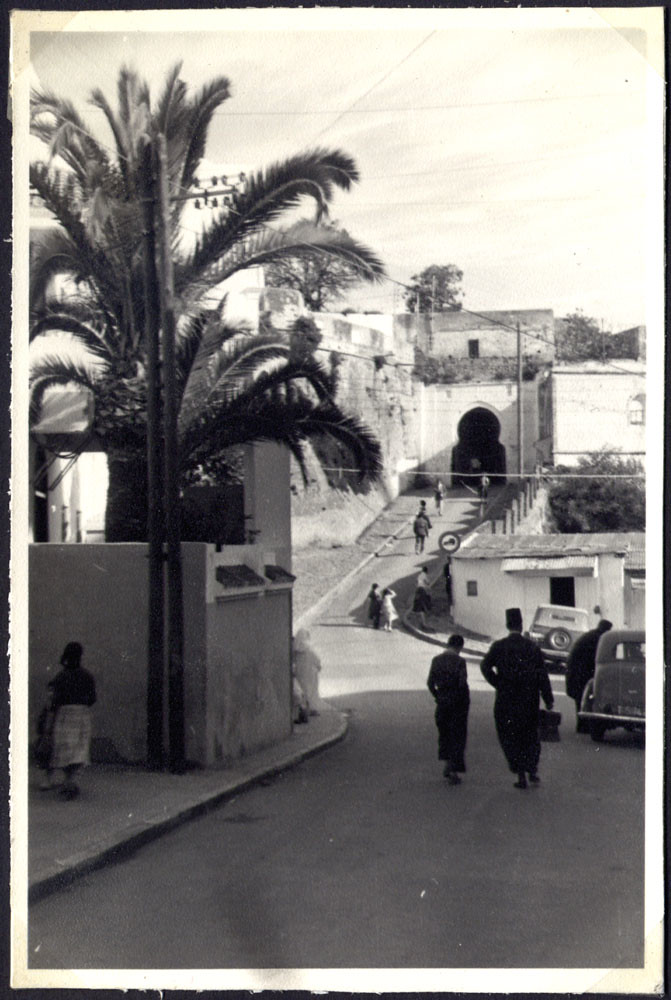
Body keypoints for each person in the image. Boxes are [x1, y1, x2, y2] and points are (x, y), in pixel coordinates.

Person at [480, 608, 554, 789]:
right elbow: (542, 675)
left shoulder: (499, 646)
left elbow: (485, 666)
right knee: (530, 735)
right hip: (529, 699)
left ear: (508, 625)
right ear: (521, 626)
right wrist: (548, 698)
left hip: (506, 699)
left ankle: (520, 774)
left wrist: (498, 683)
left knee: (510, 736)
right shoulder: (532, 647)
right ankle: (532, 770)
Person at [42, 641, 96, 799]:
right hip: (82, 714)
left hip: (64, 715)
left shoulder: (61, 676)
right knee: (79, 749)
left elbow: (53, 701)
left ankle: (68, 780)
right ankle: (71, 781)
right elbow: (92, 699)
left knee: (65, 748)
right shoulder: (87, 676)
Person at [427, 634, 470, 785]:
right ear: (460, 647)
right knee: (457, 735)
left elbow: (430, 683)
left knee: (444, 734)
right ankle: (453, 770)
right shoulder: (460, 661)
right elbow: (462, 683)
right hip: (457, 703)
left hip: (443, 701)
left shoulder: (436, 660)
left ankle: (447, 763)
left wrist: (438, 696)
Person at [565, 619, 613, 733]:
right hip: (580, 673)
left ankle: (582, 725)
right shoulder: (599, 639)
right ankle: (583, 726)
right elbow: (596, 659)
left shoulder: (590, 635)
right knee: (585, 698)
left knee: (580, 699)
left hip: (575, 671)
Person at [293, 628, 323, 715]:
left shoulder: (295, 649)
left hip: (300, 673)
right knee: (312, 692)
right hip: (310, 673)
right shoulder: (309, 648)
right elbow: (316, 659)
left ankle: (303, 710)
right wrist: (318, 666)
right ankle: (312, 709)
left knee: (303, 691)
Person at [443, 558, 453, 623]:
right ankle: (451, 611)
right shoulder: (447, 566)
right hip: (449, 582)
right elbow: (446, 575)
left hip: (452, 582)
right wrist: (449, 577)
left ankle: (451, 611)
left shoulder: (453, 565)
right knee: (449, 596)